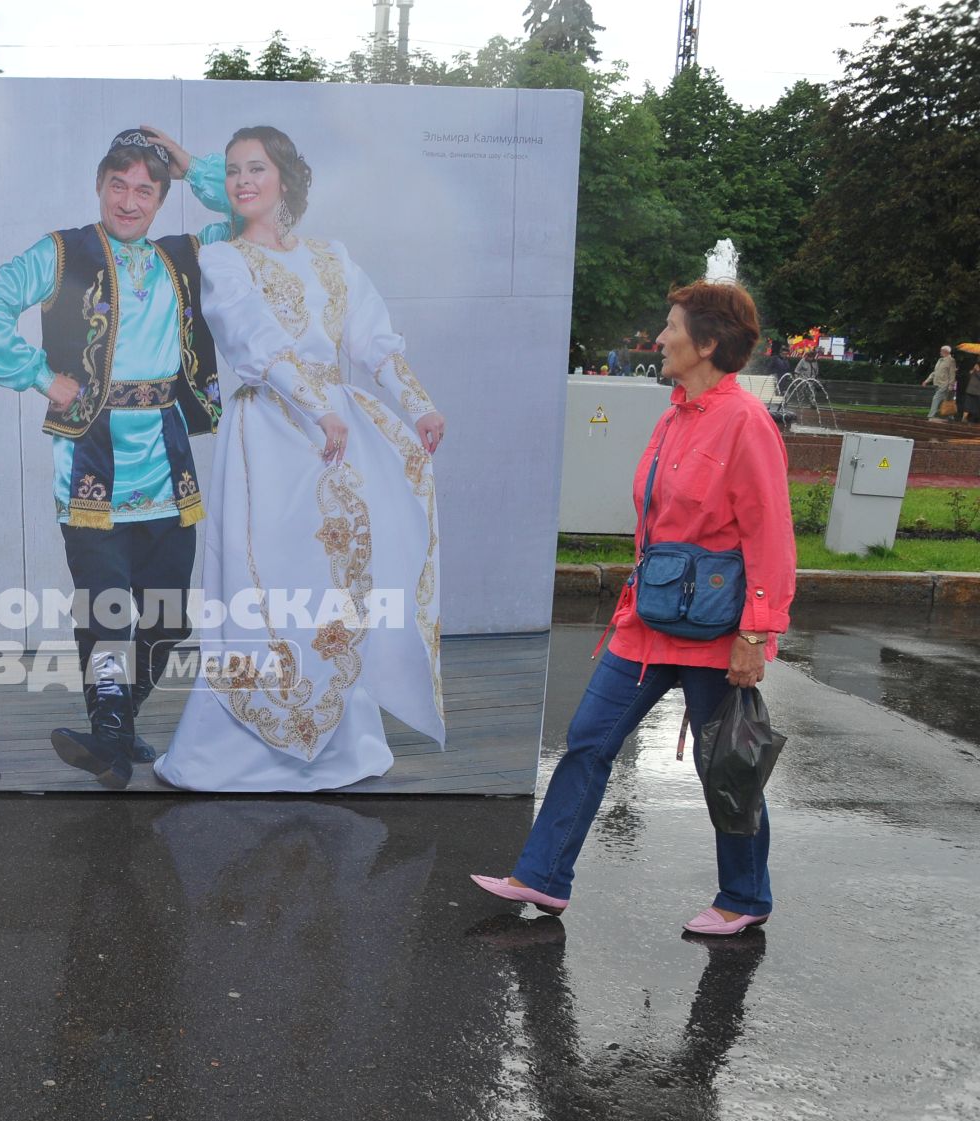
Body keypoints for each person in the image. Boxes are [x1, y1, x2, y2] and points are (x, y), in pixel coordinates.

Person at [472, 281, 796, 936]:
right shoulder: (674, 417)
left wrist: (757, 632)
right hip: (647, 623)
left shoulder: (745, 422)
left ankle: (744, 896)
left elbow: (771, 534)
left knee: (725, 766)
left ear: (706, 342)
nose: (661, 337)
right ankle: (543, 875)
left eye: (672, 326)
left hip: (716, 631)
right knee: (589, 739)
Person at [151, 125, 448, 792]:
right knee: (262, 585)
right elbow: (253, 337)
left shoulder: (331, 256)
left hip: (336, 443)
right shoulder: (225, 259)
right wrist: (320, 409)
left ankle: (339, 742)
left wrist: (419, 404)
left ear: (285, 177)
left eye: (255, 167)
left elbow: (373, 340)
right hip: (272, 438)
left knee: (331, 586)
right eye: (231, 172)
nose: (242, 181)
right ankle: (229, 751)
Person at [0, 127, 231, 788]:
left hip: (167, 458)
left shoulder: (186, 256)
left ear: (162, 199)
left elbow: (257, 209)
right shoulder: (62, 252)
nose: (130, 200)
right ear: (99, 185)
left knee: (168, 617)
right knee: (106, 601)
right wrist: (36, 373)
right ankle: (110, 732)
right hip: (91, 457)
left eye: (146, 189)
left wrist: (190, 162)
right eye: (119, 184)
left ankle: (117, 728)